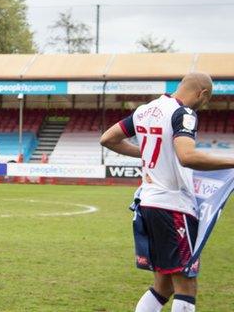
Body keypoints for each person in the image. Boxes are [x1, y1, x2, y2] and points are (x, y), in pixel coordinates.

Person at [100, 72, 234, 312]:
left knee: (163, 285)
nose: (204, 105)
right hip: (173, 207)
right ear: (202, 93)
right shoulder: (183, 113)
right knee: (187, 283)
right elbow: (187, 156)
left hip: (148, 203)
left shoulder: (145, 110)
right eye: (206, 100)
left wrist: (145, 153)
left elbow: (108, 138)